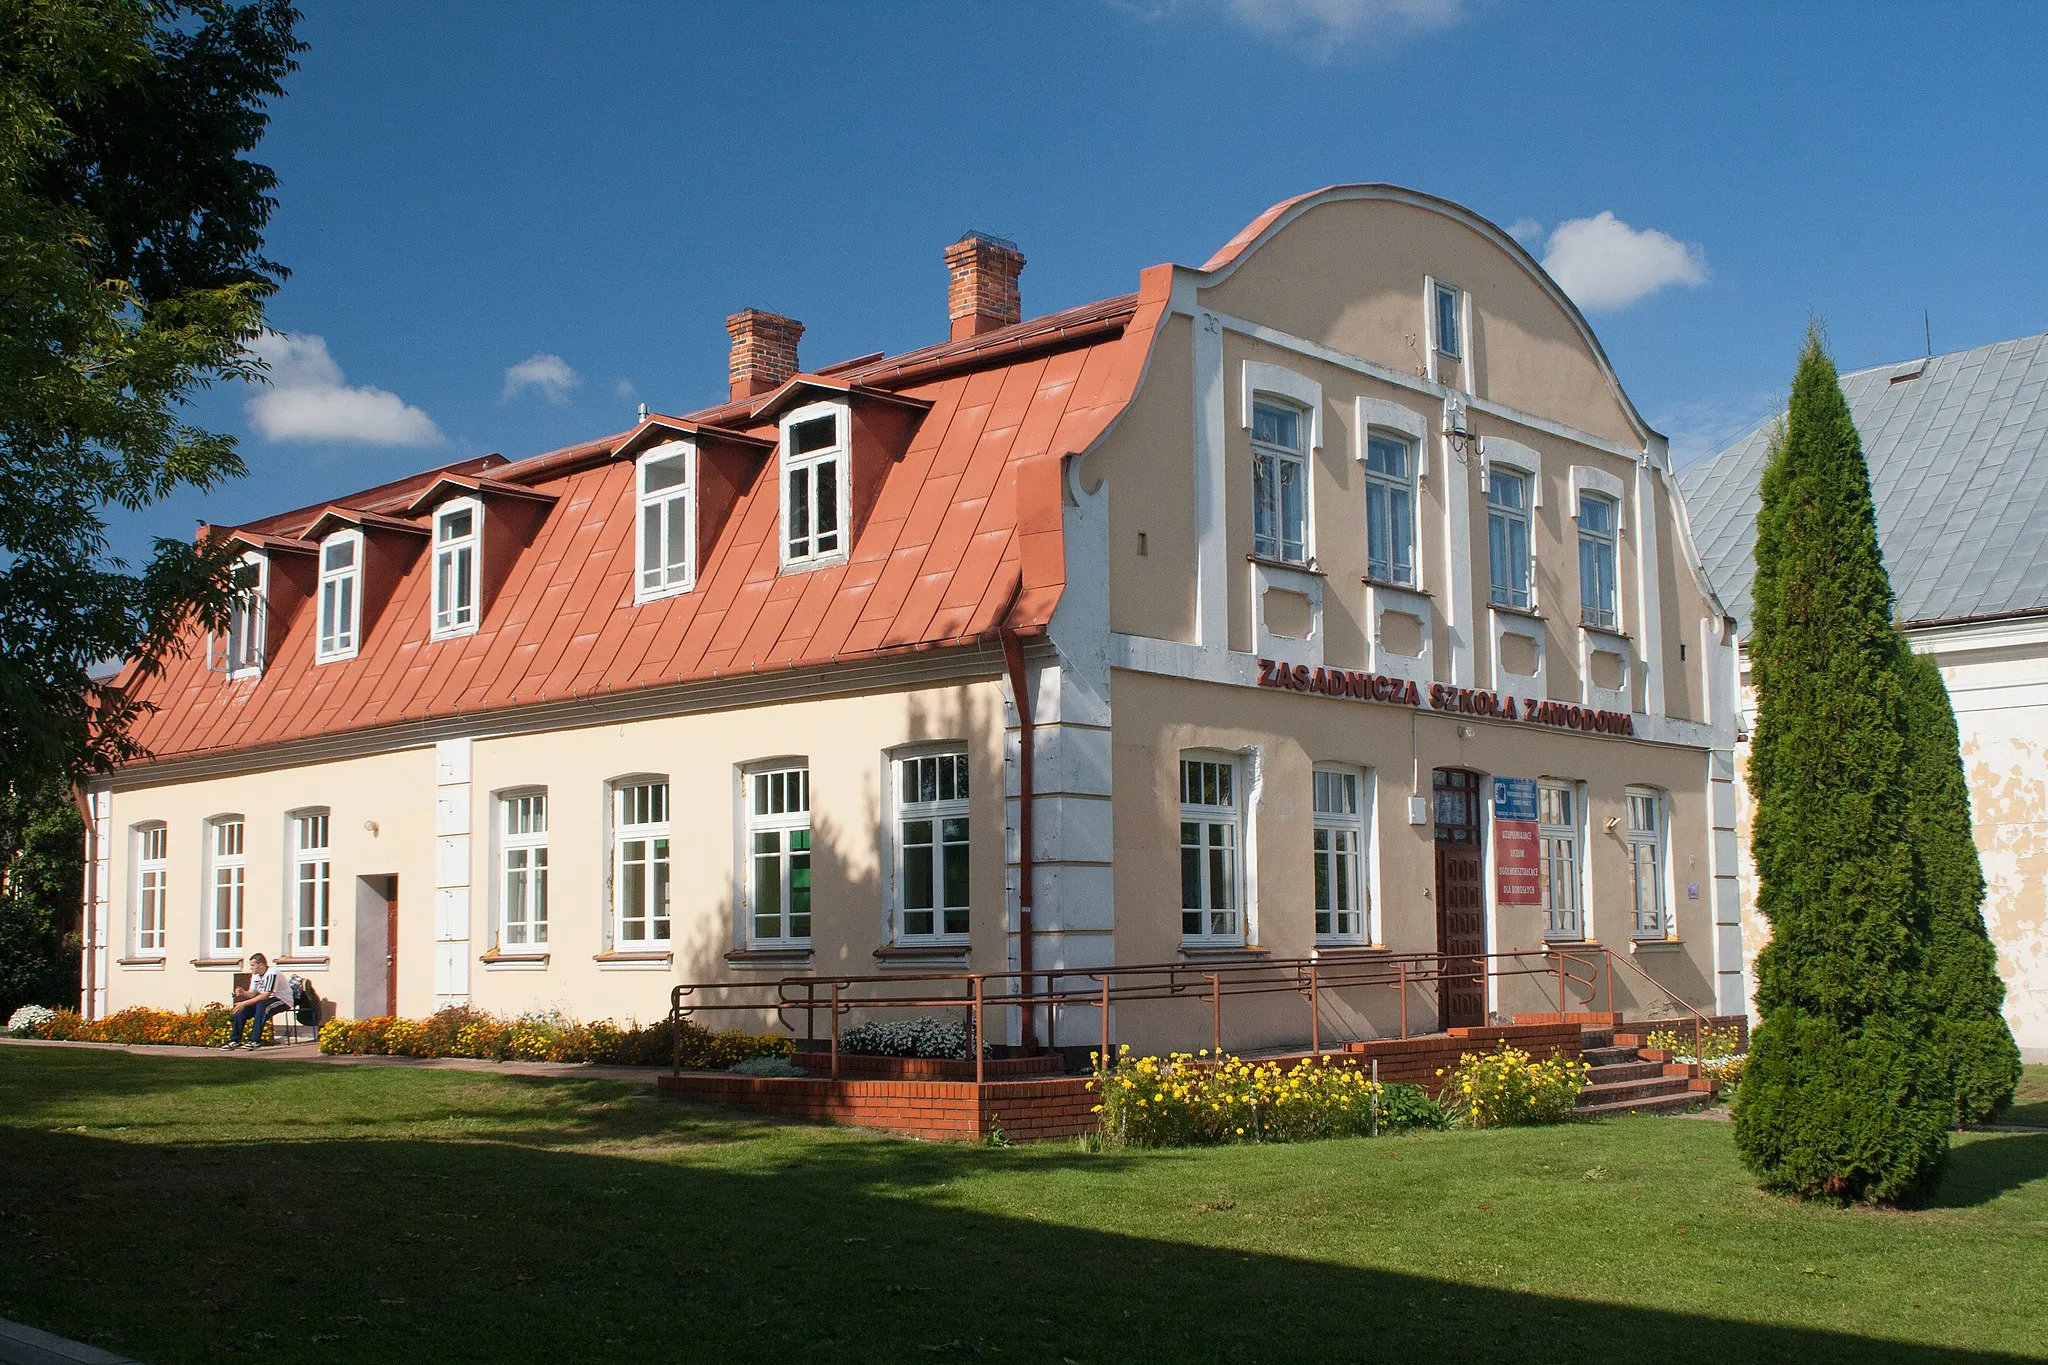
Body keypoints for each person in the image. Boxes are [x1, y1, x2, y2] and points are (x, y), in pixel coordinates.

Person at [223, 954, 286, 1049]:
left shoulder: (272, 973)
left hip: (282, 1000)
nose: (251, 968)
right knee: (241, 1010)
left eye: (252, 965)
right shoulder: (256, 975)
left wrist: (243, 1003)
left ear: (260, 965)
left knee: (261, 1006)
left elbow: (266, 995)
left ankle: (255, 1040)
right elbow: (252, 993)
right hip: (266, 1000)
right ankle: (235, 1040)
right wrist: (243, 993)